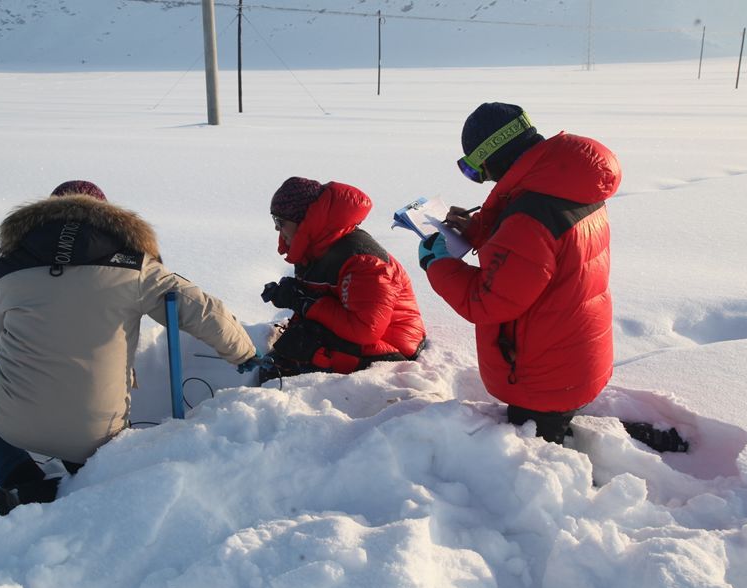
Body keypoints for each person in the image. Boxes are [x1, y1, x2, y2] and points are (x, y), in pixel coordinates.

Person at [0, 180, 260, 515]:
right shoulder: (133, 266)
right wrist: (246, 354)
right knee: (87, 417)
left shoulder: (12, 267)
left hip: (13, 420)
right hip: (98, 429)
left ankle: (21, 479)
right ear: (105, 216)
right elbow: (202, 310)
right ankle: (85, 478)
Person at [417, 102, 621, 445]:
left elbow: (486, 302)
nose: (482, 179)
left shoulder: (529, 217)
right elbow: (538, 257)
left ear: (494, 156)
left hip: (543, 375)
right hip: (574, 354)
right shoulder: (566, 185)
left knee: (539, 460)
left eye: (477, 170)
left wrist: (438, 265)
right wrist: (481, 230)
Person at [259, 177, 426, 383]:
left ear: (304, 220)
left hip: (393, 342)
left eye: (280, 221)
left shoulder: (365, 263)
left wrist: (304, 302)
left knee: (305, 355)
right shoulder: (312, 246)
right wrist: (295, 294)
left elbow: (365, 329)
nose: (277, 229)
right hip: (357, 332)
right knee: (290, 350)